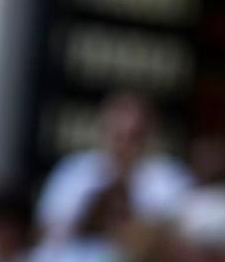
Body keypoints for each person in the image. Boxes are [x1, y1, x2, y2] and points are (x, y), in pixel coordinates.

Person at [36, 93, 192, 243]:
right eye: (119, 136)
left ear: (150, 134)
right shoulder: (74, 170)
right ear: (105, 130)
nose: (125, 145)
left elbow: (182, 232)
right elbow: (45, 227)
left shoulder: (169, 175)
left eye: (135, 137)